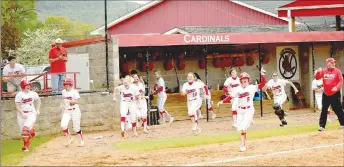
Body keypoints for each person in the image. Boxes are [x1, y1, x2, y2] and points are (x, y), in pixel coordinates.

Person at [217, 68, 266, 152]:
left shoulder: (252, 87)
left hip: (249, 110)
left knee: (243, 128)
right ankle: (248, 123)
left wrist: (262, 75)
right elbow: (230, 97)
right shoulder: (237, 89)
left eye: (246, 80)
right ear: (240, 81)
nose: (244, 82)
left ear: (248, 80)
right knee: (240, 129)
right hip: (240, 111)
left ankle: (242, 145)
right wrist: (222, 101)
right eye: (243, 80)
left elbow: (262, 84)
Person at [315, 58, 344, 131]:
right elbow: (317, 78)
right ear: (327, 63)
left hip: (335, 93)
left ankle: (343, 124)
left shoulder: (337, 71)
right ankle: (322, 126)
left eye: (334, 62)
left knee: (338, 109)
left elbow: (341, 81)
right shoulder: (324, 71)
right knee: (324, 110)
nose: (334, 64)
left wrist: (337, 87)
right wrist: (318, 72)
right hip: (326, 94)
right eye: (332, 63)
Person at [15, 80, 41, 152]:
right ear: (23, 86)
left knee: (25, 130)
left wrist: (38, 109)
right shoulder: (19, 95)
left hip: (31, 113)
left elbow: (38, 101)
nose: (28, 87)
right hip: (21, 115)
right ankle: (31, 131)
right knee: (23, 133)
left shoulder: (33, 94)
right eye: (27, 85)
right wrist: (21, 112)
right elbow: (17, 106)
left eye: (29, 85)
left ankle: (26, 147)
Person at [60, 78, 84, 147]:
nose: (65, 85)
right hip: (67, 111)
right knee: (63, 125)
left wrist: (68, 101)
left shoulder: (74, 92)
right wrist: (63, 104)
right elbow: (63, 100)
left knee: (76, 128)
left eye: (66, 84)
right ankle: (70, 138)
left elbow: (77, 101)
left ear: (70, 84)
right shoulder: (63, 91)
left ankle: (81, 140)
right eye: (64, 84)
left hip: (75, 111)